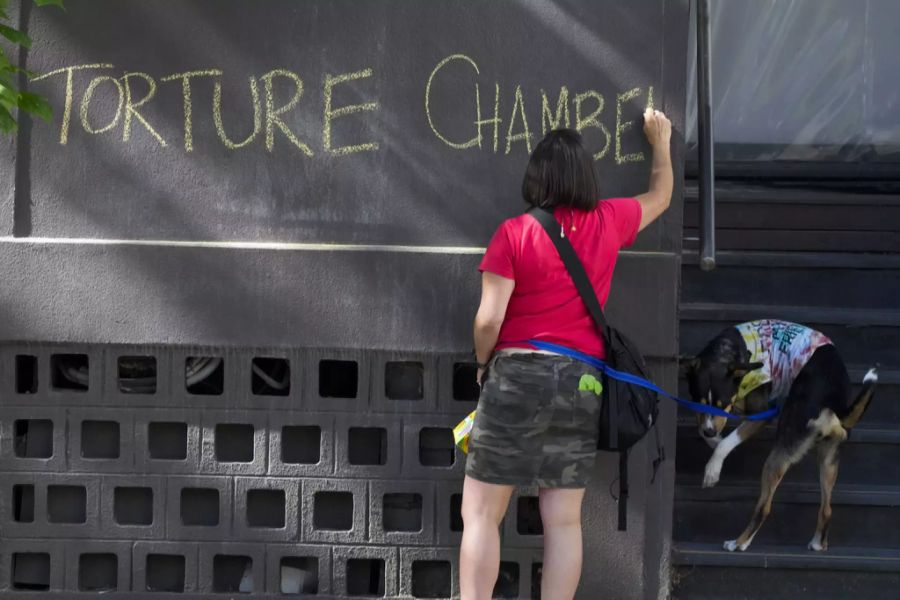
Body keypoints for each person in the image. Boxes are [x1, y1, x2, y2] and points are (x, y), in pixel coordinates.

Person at [459, 109, 673, 600]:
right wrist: (659, 142)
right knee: (562, 521)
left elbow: (489, 319)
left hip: (517, 376)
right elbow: (660, 196)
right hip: (582, 383)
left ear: (536, 177)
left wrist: (481, 362)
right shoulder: (610, 220)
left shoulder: (514, 233)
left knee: (481, 514)